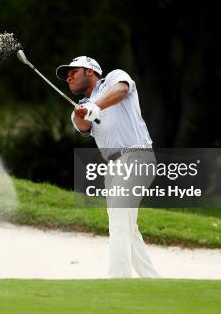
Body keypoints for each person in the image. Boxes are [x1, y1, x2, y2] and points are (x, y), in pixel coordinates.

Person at [56, 56, 159, 278]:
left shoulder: (114, 77)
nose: (69, 77)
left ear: (90, 71)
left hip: (136, 156)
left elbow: (122, 90)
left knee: (120, 221)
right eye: (67, 74)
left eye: (74, 71)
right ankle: (155, 282)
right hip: (113, 168)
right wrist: (80, 113)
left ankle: (118, 283)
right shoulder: (80, 107)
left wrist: (96, 105)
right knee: (128, 229)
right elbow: (83, 126)